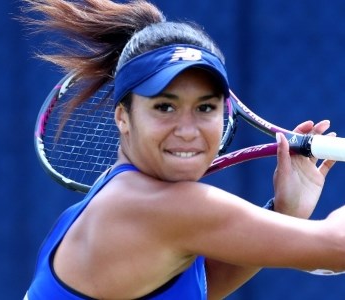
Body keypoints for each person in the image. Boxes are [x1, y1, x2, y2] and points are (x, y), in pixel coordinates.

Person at [20, 0, 344, 299]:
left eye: (205, 108)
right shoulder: (161, 206)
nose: (188, 131)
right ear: (123, 117)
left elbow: (201, 289)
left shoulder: (117, 195)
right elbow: (336, 249)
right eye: (165, 107)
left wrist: (285, 211)